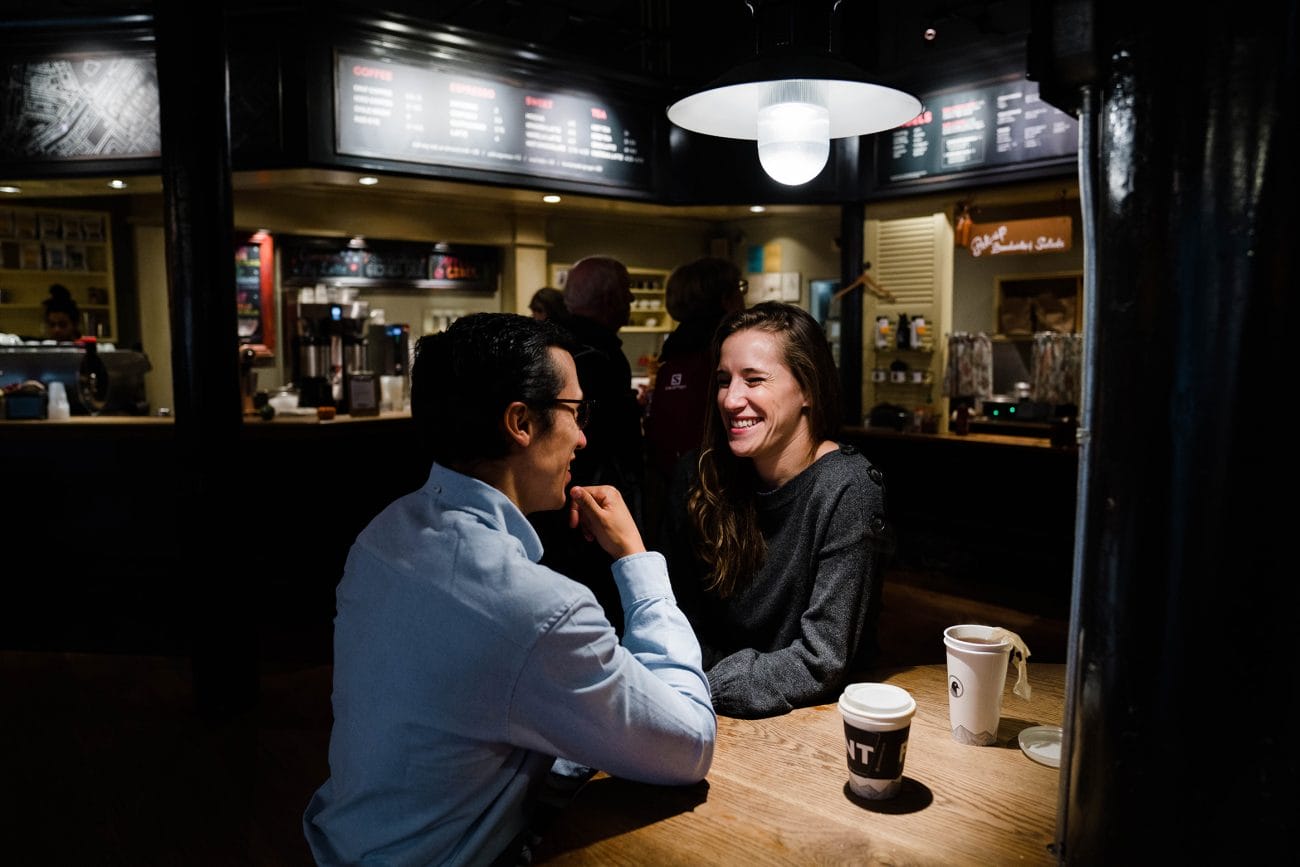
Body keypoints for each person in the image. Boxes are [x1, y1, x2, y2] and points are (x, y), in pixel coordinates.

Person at [302, 312, 715, 866]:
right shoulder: (539, 611)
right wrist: (637, 561)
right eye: (575, 411)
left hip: (345, 842)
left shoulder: (381, 537)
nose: (583, 436)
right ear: (521, 422)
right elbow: (689, 744)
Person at [664, 301, 891, 719]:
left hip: (808, 725)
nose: (731, 399)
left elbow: (820, 660)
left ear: (807, 389)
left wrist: (697, 687)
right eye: (722, 380)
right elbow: (682, 621)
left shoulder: (847, 487)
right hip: (709, 714)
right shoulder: (702, 477)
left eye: (754, 380)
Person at [529, 255, 644, 629]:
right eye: (626, 293)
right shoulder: (599, 355)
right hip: (586, 509)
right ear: (610, 300)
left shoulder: (549, 346)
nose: (630, 302)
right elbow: (614, 442)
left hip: (548, 507)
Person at [642, 257, 746, 548]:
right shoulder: (724, 352)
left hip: (670, 485)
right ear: (725, 298)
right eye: (739, 289)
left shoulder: (673, 351)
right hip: (719, 485)